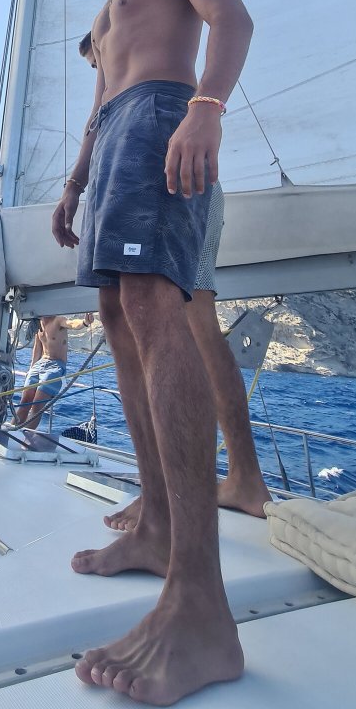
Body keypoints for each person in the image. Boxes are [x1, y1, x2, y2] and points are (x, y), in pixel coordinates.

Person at [53, 0, 253, 704]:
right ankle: (159, 524)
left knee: (152, 304)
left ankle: (201, 604)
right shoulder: (103, 18)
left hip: (169, 112)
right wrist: (73, 185)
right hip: (117, 142)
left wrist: (206, 104)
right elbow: (99, 108)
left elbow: (230, 17)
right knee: (114, 312)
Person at [78, 32, 269, 526]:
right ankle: (244, 477)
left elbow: (96, 118)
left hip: (173, 174)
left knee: (168, 329)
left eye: (95, 59)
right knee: (199, 327)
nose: (100, 69)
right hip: (198, 180)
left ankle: (163, 497)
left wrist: (75, 183)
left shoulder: (124, 36)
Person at [13, 312, 94, 431]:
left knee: (37, 407)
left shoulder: (58, 320)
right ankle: (8, 433)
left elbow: (72, 324)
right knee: (24, 403)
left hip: (55, 366)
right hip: (39, 364)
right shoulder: (38, 323)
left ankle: (25, 441)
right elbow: (37, 349)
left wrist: (85, 322)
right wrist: (31, 368)